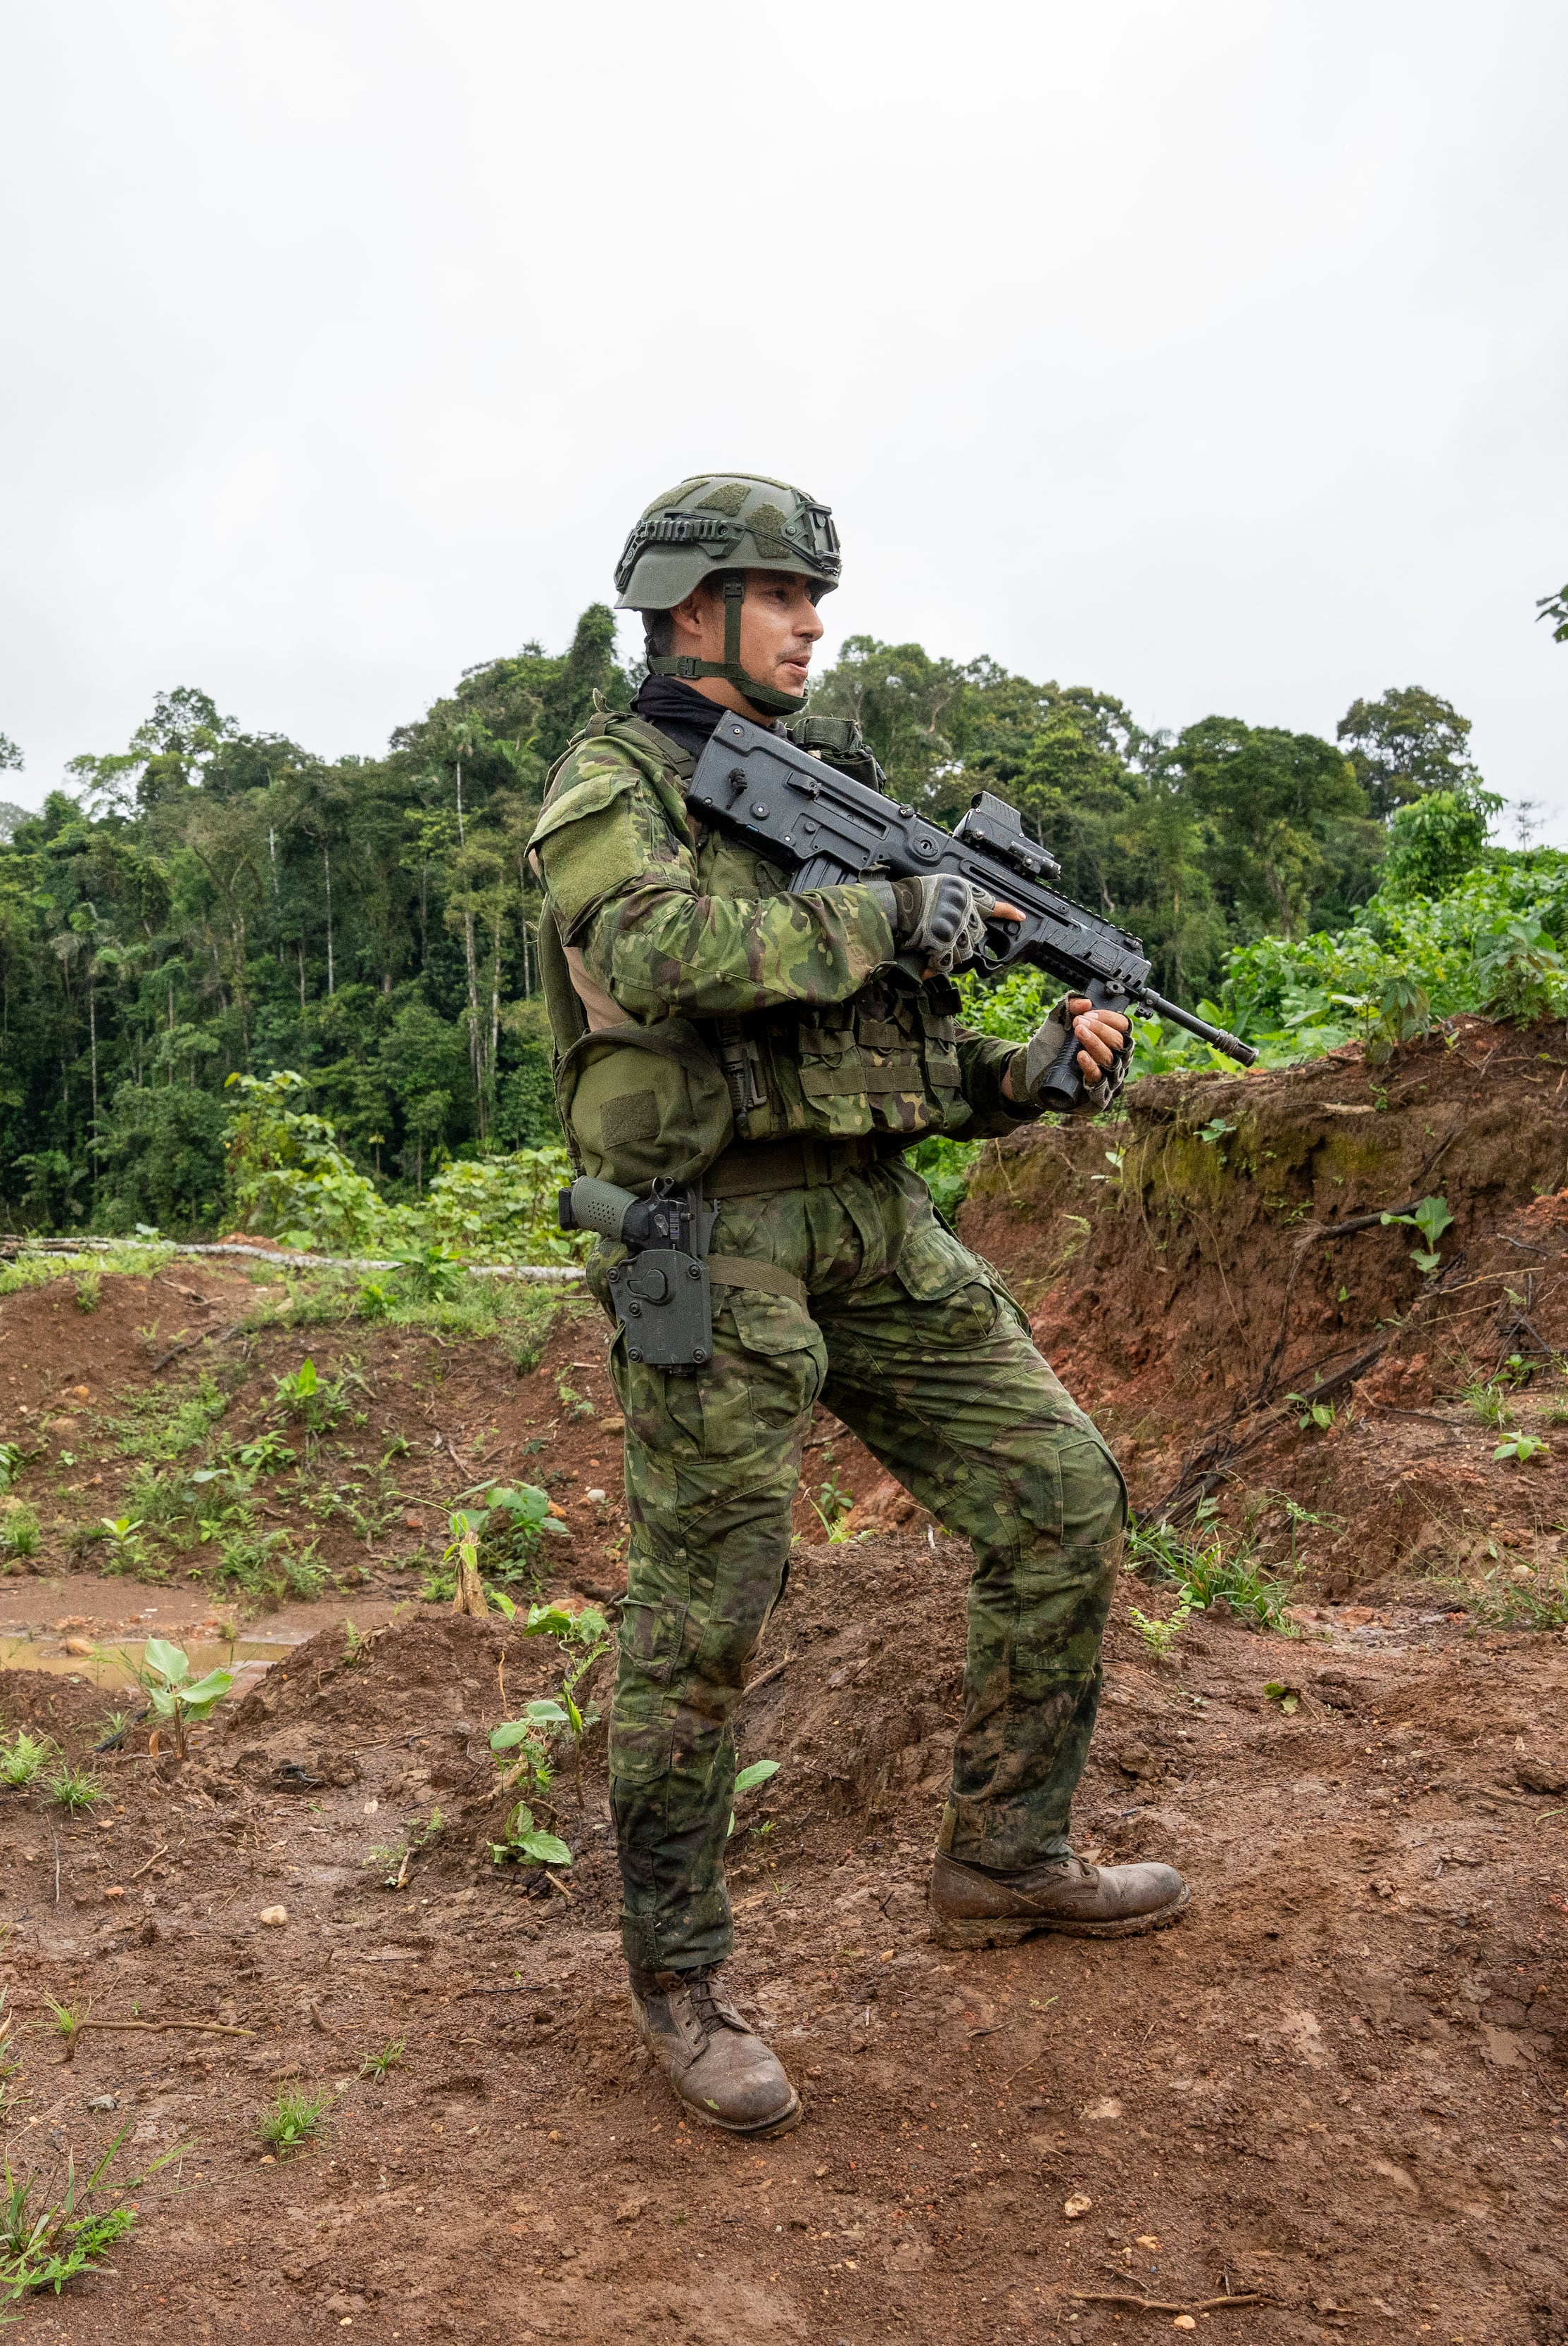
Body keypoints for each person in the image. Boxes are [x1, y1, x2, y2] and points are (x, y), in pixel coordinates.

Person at [526, 473, 1188, 2137]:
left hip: (871, 1219)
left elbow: (889, 1057)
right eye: (784, 593)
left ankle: (1007, 1851)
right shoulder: (614, 785)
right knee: (704, 1619)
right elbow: (658, 954)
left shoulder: (827, 796)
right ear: (694, 606)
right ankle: (681, 1983)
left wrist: (1023, 1071)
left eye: (815, 596)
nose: (813, 623)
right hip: (704, 1238)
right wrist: (897, 910)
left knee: (1061, 1493)